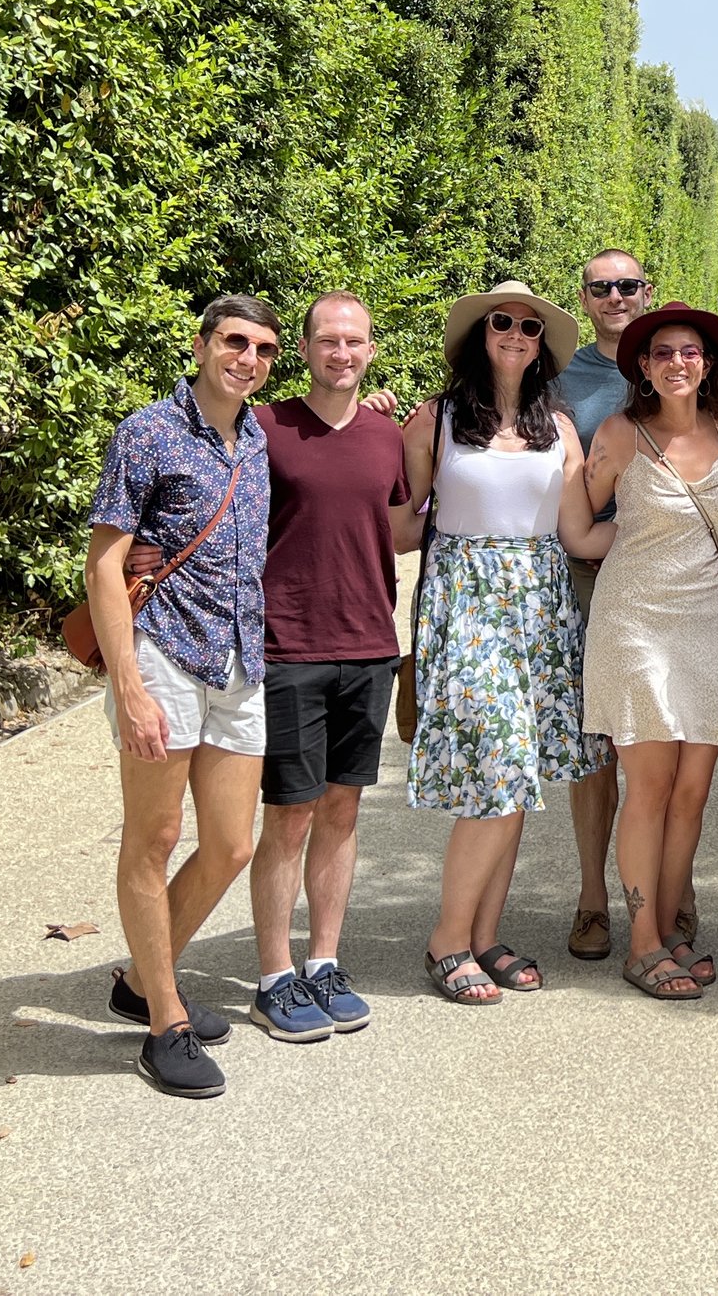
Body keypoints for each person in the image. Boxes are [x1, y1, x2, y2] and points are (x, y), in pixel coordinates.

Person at [85, 295, 281, 1098]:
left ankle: (141, 977)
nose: (248, 358)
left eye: (264, 348)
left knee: (231, 844)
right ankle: (164, 1021)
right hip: (163, 653)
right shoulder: (148, 432)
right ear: (201, 345)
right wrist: (127, 684)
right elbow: (105, 563)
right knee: (155, 836)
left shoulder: (258, 438)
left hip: (238, 661)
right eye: (234, 341)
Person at [401, 281, 612, 1006]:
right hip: (466, 602)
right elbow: (400, 523)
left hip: (540, 607)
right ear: (480, 334)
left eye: (529, 326)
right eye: (502, 322)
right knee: (498, 762)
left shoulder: (560, 427)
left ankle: (484, 936)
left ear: (542, 344)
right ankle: (447, 939)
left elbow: (578, 533)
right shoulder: (436, 417)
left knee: (516, 774)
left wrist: (668, 520)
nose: (516, 334)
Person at [240, 292, 421, 1042]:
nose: (341, 353)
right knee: (289, 815)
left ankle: (323, 961)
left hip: (370, 647)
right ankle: (274, 977)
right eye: (327, 341)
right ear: (304, 349)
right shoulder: (264, 427)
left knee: (343, 812)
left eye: (353, 341)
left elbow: (400, 528)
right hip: (288, 649)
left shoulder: (386, 436)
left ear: (371, 350)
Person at [576, 303, 718, 999]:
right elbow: (578, 524)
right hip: (635, 622)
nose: (678, 362)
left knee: (691, 790)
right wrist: (618, 541)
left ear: (707, 365)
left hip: (706, 624)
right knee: (648, 788)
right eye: (663, 353)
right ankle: (642, 941)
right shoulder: (620, 432)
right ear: (644, 368)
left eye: (690, 351)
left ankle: (672, 927)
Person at [551, 250, 694, 962]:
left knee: (671, 734)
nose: (615, 295)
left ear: (648, 291)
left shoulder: (681, 366)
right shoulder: (560, 380)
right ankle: (592, 896)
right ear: (584, 297)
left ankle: (673, 888)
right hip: (587, 575)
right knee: (596, 745)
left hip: (671, 578)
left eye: (627, 285)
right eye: (601, 287)